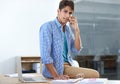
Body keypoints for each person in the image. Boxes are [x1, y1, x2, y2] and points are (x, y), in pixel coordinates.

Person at [39, 0, 99, 80]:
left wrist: (77, 30)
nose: (67, 15)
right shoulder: (47, 27)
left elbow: (76, 49)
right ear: (58, 11)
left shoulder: (67, 30)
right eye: (65, 11)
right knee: (95, 74)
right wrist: (56, 76)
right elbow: (46, 56)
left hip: (69, 65)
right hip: (58, 69)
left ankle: (75, 77)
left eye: (70, 13)